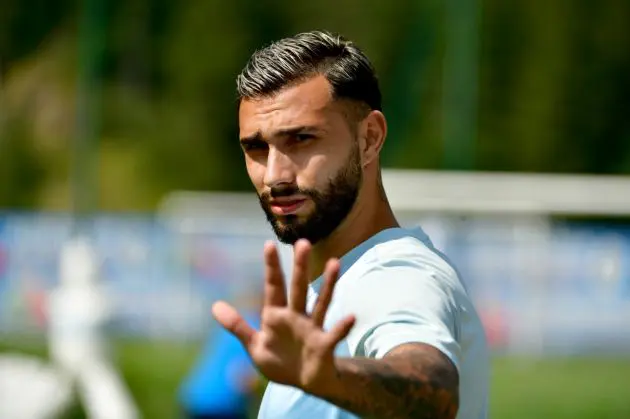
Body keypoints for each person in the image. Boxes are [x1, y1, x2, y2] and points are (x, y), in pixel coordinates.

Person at [211, 30, 489, 419]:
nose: (275, 175)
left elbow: (434, 390)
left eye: (302, 139)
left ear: (369, 139)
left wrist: (332, 379)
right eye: (256, 148)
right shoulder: (338, 282)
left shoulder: (399, 273)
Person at [179, 292, 262, 419]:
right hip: (221, 406)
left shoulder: (229, 327)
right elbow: (242, 378)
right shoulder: (252, 331)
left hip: (195, 397)